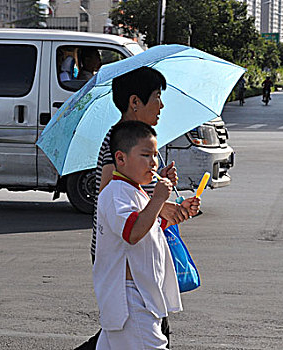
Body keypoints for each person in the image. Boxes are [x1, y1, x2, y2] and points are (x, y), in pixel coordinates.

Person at [75, 67, 200, 350]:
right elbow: (112, 194)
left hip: (135, 263)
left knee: (118, 334)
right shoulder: (118, 141)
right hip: (124, 265)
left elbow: (135, 197)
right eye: (156, 97)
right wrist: (158, 200)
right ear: (135, 102)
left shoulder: (138, 141)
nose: (161, 105)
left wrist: (163, 196)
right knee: (142, 328)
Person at [93, 120, 194, 349]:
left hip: (139, 297)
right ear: (121, 159)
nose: (153, 163)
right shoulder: (116, 192)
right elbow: (133, 233)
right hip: (130, 300)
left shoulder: (134, 191)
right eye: (146, 155)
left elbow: (151, 228)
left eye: (156, 155)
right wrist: (158, 198)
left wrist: (178, 210)